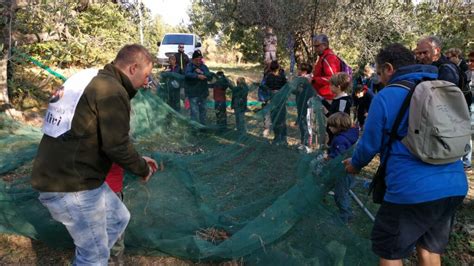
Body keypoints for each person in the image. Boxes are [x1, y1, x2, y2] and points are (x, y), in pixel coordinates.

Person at [31, 44, 160, 265]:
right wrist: (142, 168)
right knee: (94, 256)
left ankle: (91, 255)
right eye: (145, 75)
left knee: (118, 218)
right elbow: (116, 146)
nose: (145, 82)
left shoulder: (91, 79)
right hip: (72, 184)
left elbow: (101, 137)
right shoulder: (113, 91)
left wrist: (137, 158)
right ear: (133, 68)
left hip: (66, 175)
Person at [343, 43, 468, 265]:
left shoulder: (388, 95)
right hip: (454, 185)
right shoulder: (440, 87)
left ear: (389, 68)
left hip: (411, 190)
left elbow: (369, 144)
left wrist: (355, 165)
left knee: (391, 253)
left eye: (380, 73)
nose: (379, 79)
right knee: (429, 250)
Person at [325, 112, 359, 223]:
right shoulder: (348, 136)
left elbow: (340, 156)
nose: (329, 128)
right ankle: (347, 213)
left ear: (339, 127)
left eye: (331, 126)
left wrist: (329, 157)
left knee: (340, 194)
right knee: (342, 193)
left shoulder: (340, 140)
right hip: (348, 170)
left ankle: (345, 216)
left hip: (344, 172)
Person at [184, 50, 212, 125]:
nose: (199, 61)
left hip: (203, 93)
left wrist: (202, 72)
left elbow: (209, 76)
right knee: (194, 112)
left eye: (200, 59)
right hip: (193, 94)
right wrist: (197, 76)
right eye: (197, 59)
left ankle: (203, 128)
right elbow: (187, 74)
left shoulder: (204, 66)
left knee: (203, 111)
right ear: (193, 59)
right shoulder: (189, 66)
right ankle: (194, 129)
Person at [311, 34, 341, 101]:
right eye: (314, 46)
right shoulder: (322, 57)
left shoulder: (329, 58)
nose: (315, 49)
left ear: (325, 45)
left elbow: (333, 79)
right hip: (323, 95)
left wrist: (314, 80)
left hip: (328, 97)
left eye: (317, 46)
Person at [293, 62, 315, 153]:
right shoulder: (304, 79)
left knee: (306, 123)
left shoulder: (306, 80)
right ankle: (304, 143)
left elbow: (299, 91)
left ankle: (307, 145)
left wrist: (292, 87)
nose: (297, 71)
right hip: (302, 104)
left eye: (299, 70)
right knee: (303, 123)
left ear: (304, 71)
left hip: (306, 105)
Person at [265, 60, 288, 145]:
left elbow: (266, 86)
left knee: (275, 118)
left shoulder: (268, 76)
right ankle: (283, 138)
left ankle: (277, 137)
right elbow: (286, 86)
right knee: (282, 118)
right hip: (281, 99)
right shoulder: (282, 76)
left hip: (273, 99)